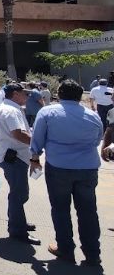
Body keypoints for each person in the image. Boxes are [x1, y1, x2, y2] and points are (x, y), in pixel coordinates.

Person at [30, 80, 103, 266]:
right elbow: (97, 141)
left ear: (59, 94)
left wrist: (35, 159)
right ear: (80, 96)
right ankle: (93, 253)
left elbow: (37, 138)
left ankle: (65, 249)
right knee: (88, 211)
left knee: (60, 209)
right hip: (88, 168)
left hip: (58, 167)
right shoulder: (93, 116)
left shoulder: (47, 112)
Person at [0, 83, 39, 245]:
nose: (27, 96)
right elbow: (18, 134)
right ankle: (17, 230)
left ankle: (18, 222)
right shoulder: (11, 111)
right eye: (24, 93)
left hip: (15, 157)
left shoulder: (10, 108)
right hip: (14, 158)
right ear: (15, 94)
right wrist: (37, 143)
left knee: (19, 193)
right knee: (19, 194)